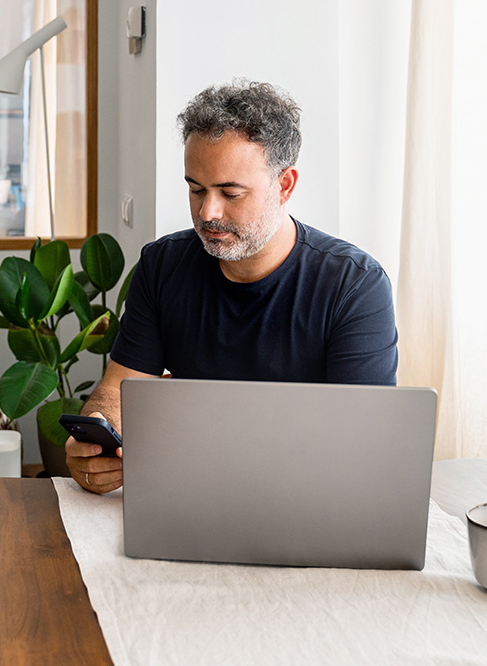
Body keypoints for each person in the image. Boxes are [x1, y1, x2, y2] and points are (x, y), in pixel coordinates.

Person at [66, 80, 398, 494]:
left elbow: (362, 445)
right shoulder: (162, 265)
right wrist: (97, 437)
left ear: (285, 185)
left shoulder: (354, 286)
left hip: (306, 496)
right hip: (191, 490)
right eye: (195, 189)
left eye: (230, 193)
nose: (208, 212)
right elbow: (119, 387)